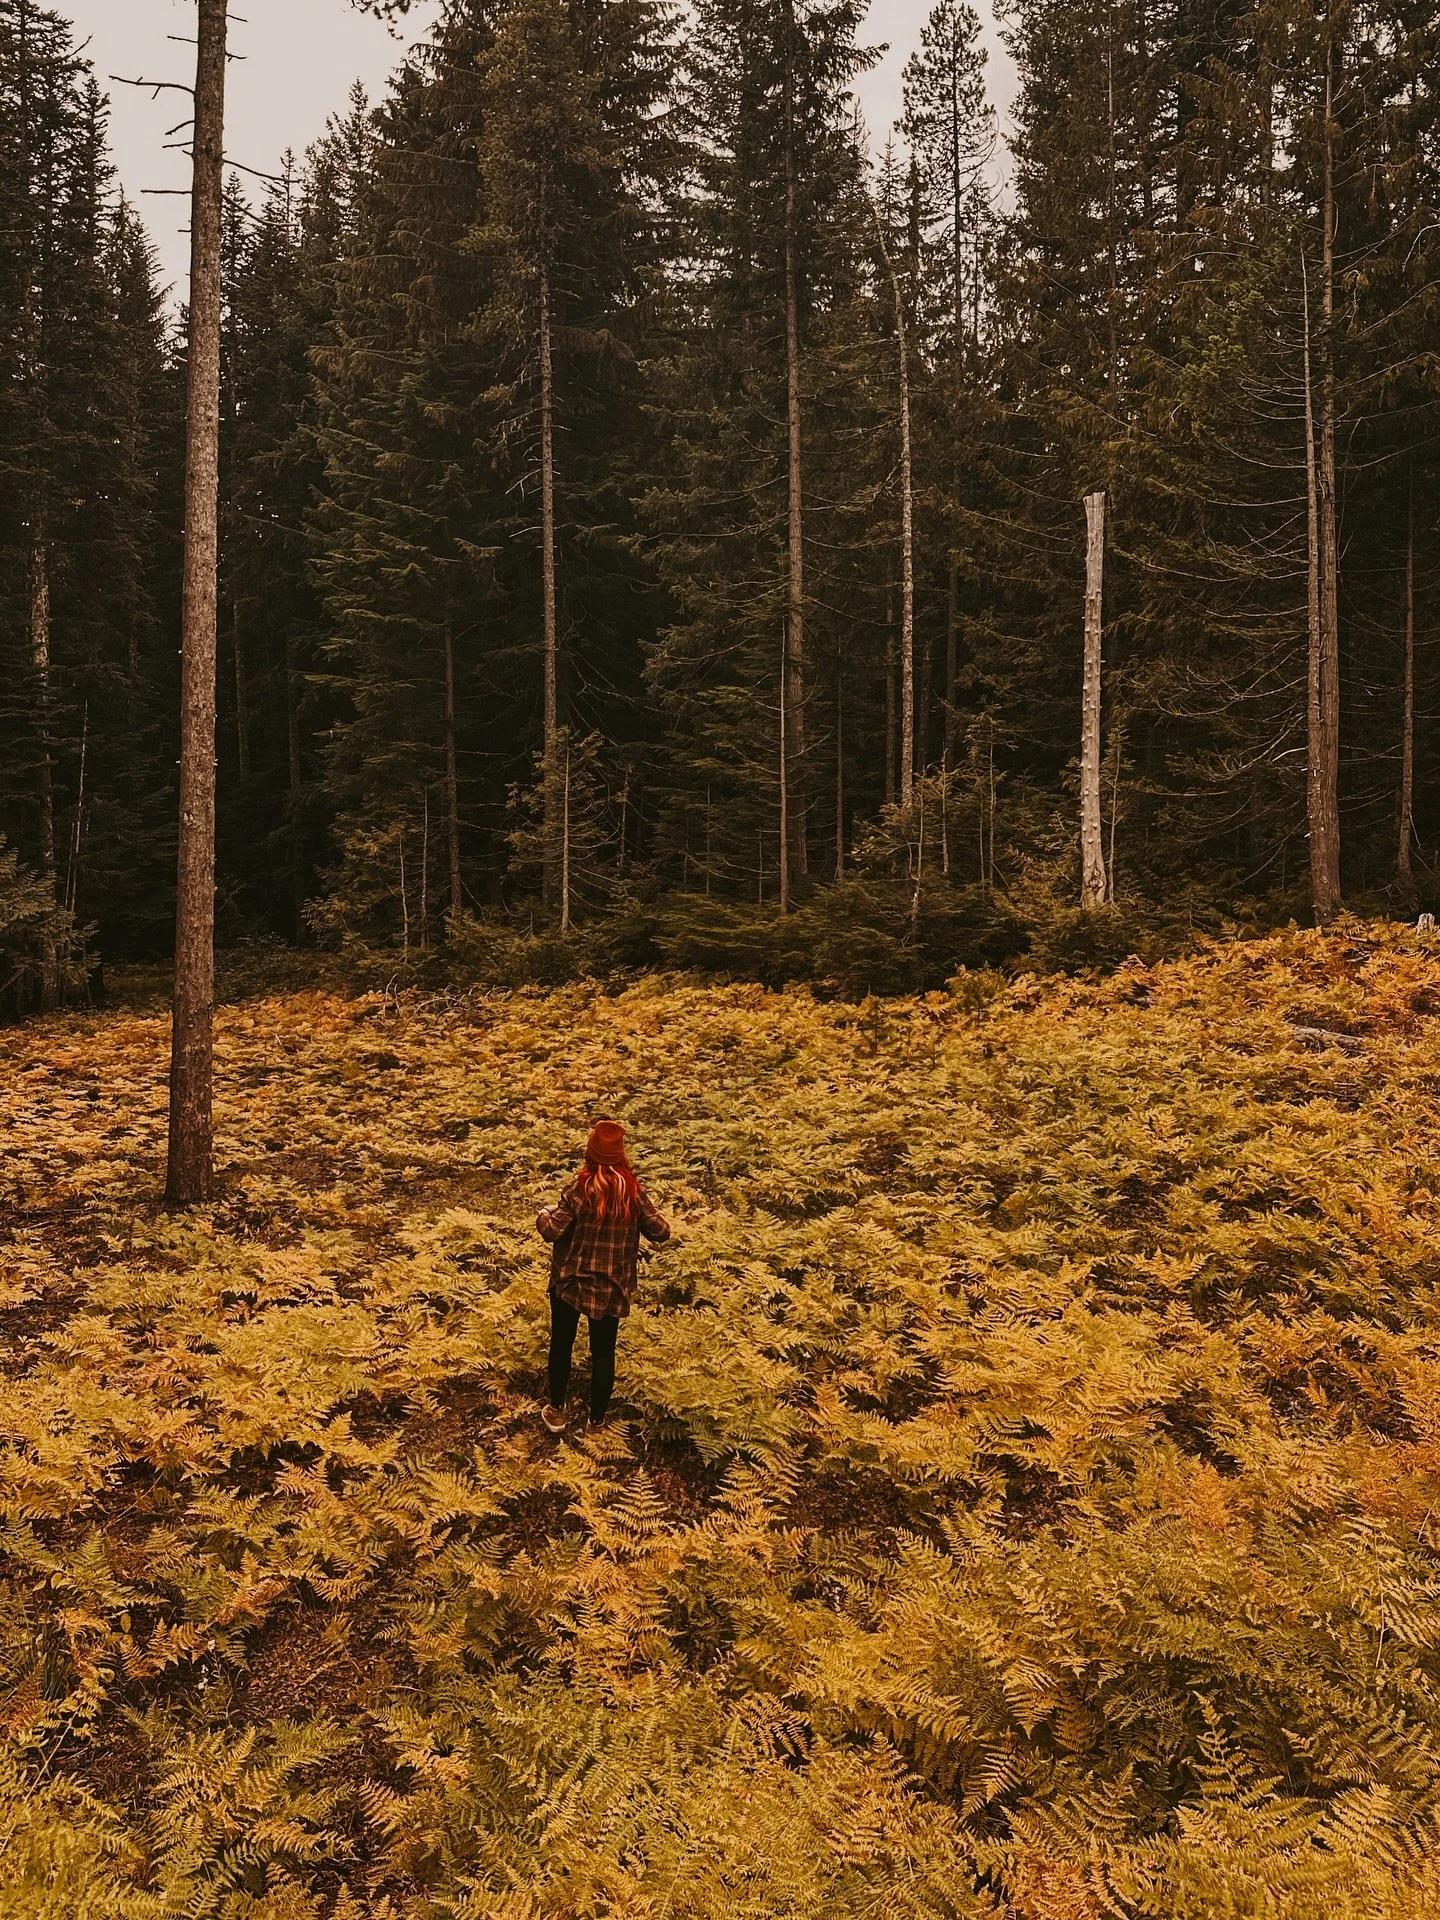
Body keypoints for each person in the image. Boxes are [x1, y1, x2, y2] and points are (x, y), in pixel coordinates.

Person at [536, 1119, 671, 1433]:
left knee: (561, 1344)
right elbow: (662, 1232)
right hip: (611, 1287)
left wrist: (544, 1213)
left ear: (590, 1154)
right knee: (604, 1353)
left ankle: (557, 1411)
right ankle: (596, 1422)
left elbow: (552, 1230)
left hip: (570, 1282)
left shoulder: (580, 1189)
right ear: (621, 1156)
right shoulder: (632, 1193)